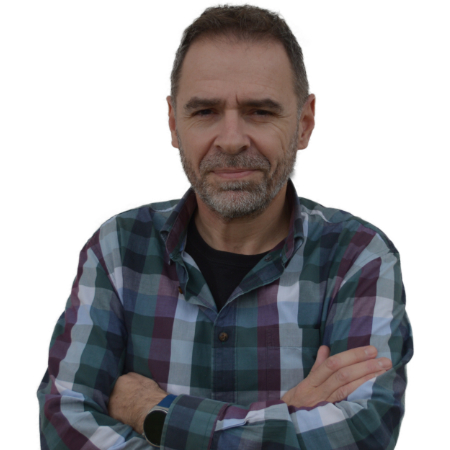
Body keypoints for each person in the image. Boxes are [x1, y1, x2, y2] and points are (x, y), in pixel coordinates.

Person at [37, 4, 413, 449]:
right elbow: (65, 423)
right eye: (205, 112)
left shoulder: (359, 259)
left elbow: (361, 435)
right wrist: (285, 419)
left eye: (260, 112)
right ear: (173, 123)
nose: (232, 140)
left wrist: (154, 413)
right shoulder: (117, 251)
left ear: (304, 124)